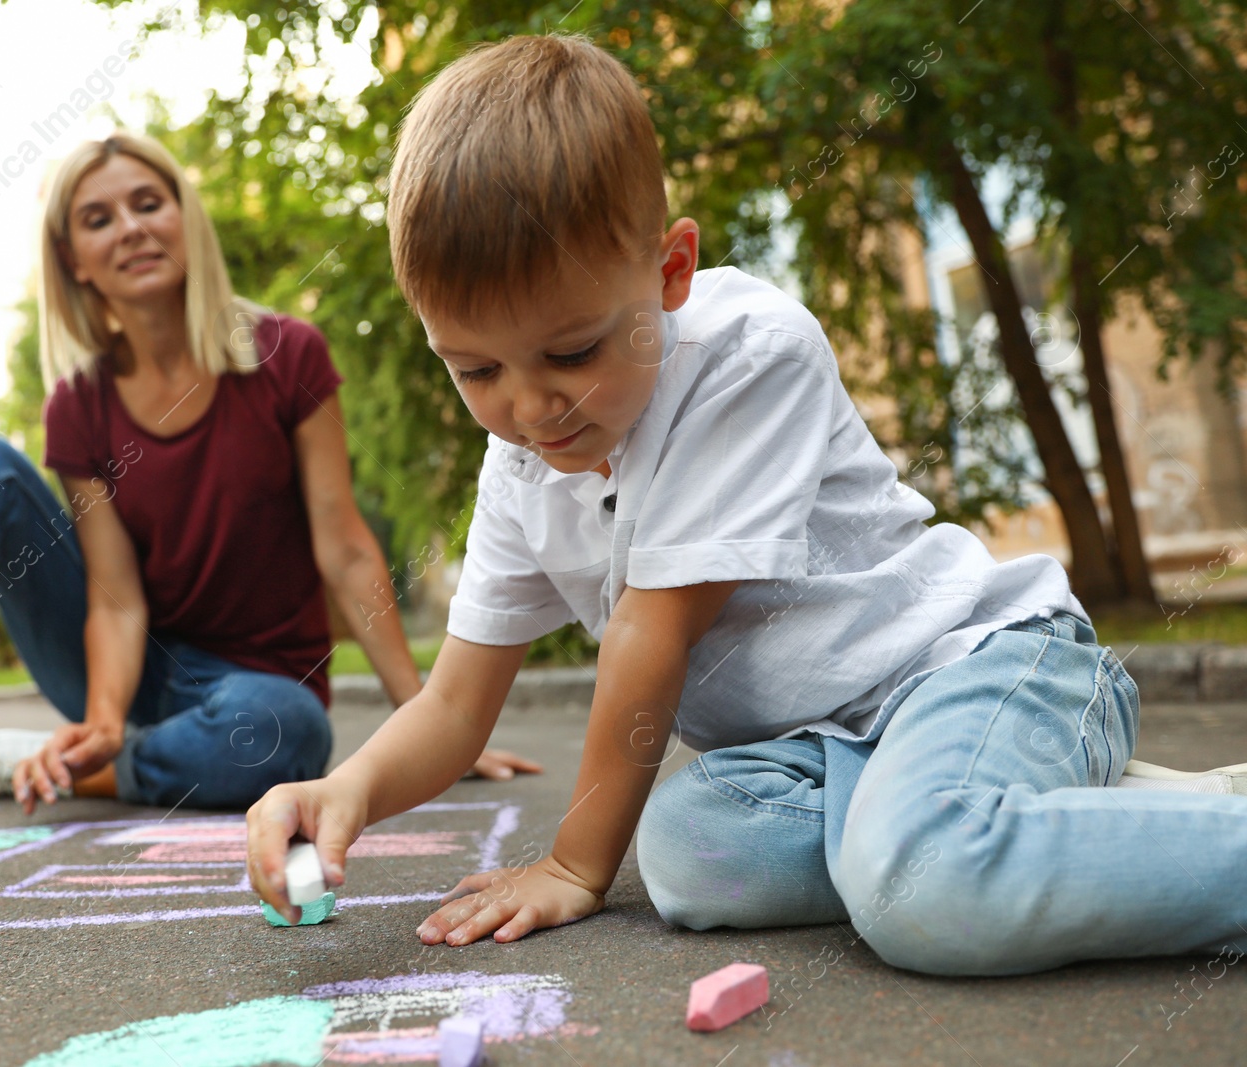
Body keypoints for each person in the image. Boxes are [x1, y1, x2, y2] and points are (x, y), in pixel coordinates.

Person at [244, 34, 1247, 977]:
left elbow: (651, 627)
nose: (528, 404)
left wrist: (573, 864)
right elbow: (457, 703)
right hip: (821, 755)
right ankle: (1020, 817)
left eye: (572, 351)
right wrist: (350, 791)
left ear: (669, 270)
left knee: (917, 888)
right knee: (687, 856)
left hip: (983, 664)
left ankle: (1016, 833)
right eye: (474, 368)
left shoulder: (744, 352)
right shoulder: (523, 465)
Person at [0, 131, 537, 850]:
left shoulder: (284, 354)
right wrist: (105, 714)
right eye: (99, 217)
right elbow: (112, 596)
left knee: (289, 730)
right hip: (129, 663)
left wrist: (431, 722)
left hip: (253, 690)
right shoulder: (79, 402)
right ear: (73, 258)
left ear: (185, 220)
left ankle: (75, 769)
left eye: (149, 204)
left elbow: (342, 543)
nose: (132, 228)